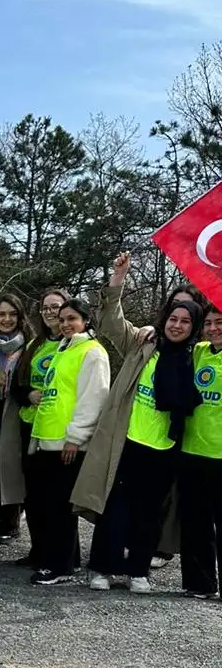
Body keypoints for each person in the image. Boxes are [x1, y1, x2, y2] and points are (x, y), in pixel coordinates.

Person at [76, 253, 202, 594]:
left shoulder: (198, 357)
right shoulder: (143, 344)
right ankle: (102, 567)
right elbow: (111, 322)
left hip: (164, 448)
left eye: (185, 321)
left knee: (150, 513)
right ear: (164, 318)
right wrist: (119, 277)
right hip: (126, 442)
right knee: (114, 509)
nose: (177, 325)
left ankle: (139, 570)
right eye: (172, 318)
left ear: (195, 326)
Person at [21, 296, 112, 585]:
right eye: (62, 320)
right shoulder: (63, 349)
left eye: (72, 318)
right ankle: (63, 559)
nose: (66, 324)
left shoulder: (92, 352)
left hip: (67, 443)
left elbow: (93, 398)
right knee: (48, 505)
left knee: (60, 508)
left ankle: (58, 566)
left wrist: (76, 437)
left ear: (86, 320)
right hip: (47, 438)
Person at [13, 289, 69, 565]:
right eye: (45, 308)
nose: (49, 312)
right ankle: (38, 549)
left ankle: (61, 555)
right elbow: (18, 382)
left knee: (57, 498)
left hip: (58, 430)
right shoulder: (35, 344)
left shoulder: (75, 344)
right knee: (33, 495)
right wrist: (27, 394)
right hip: (30, 424)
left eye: (55, 307)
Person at [179, 301, 222, 598]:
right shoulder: (198, 352)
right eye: (208, 323)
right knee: (195, 524)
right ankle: (200, 583)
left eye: (219, 322)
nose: (213, 328)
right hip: (192, 451)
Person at [0, 294, 30, 544]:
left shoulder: (29, 344)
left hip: (15, 409)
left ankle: (10, 521)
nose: (7, 319)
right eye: (1, 314)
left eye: (12, 314)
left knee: (11, 466)